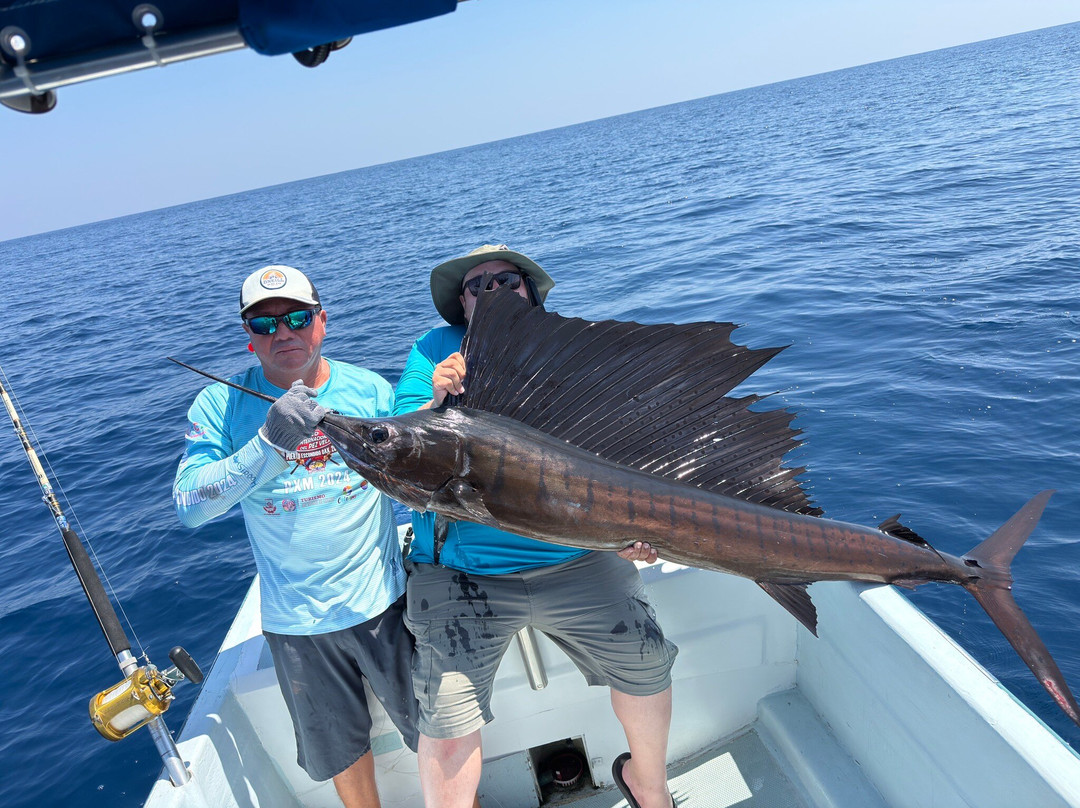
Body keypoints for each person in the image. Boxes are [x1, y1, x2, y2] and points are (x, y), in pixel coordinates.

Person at [394, 244, 678, 808]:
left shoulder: (567, 353)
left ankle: (650, 787)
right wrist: (437, 400)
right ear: (461, 304)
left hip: (577, 556)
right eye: (477, 286)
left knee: (647, 668)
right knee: (448, 723)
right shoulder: (433, 351)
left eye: (505, 279)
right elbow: (401, 442)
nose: (492, 291)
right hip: (463, 574)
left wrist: (639, 532)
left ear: (530, 289)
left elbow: (625, 454)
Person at [173, 265, 417, 808]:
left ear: (322, 322)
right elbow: (189, 506)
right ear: (249, 338)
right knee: (341, 754)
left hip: (388, 602)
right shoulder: (218, 406)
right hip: (297, 623)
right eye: (264, 324)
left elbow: (415, 472)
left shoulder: (370, 390)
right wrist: (268, 442)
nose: (282, 333)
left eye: (297, 318)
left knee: (437, 736)